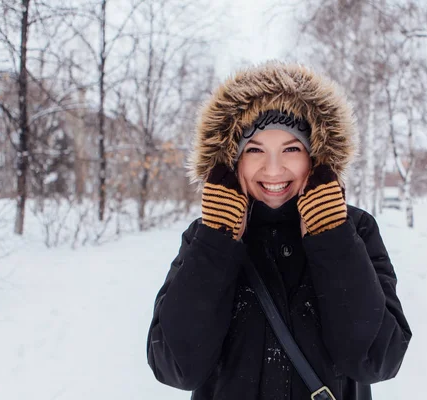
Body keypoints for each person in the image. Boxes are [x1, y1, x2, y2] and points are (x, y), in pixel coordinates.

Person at [147, 61, 411, 400]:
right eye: (255, 150)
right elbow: (175, 367)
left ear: (316, 156)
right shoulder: (206, 236)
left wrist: (331, 236)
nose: (273, 170)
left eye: (291, 149)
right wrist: (217, 241)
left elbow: (377, 360)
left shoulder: (355, 229)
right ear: (232, 159)